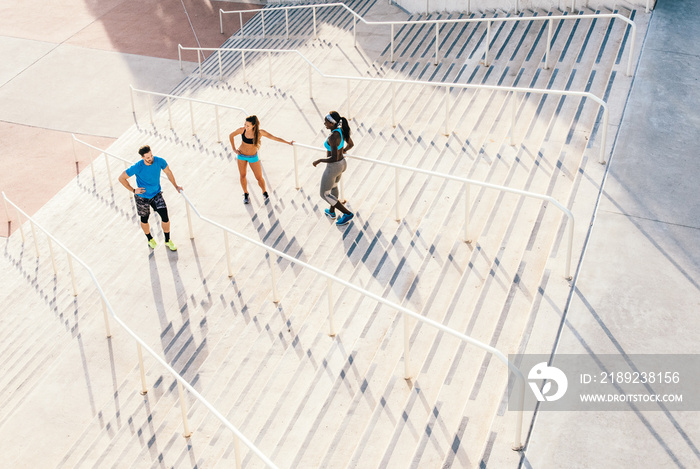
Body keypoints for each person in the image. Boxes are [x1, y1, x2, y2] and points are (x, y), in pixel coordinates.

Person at [118, 145, 182, 251]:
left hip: (156, 194)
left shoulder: (159, 161)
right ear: (142, 157)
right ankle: (150, 239)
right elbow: (121, 178)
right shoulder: (137, 167)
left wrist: (176, 186)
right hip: (142, 197)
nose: (150, 158)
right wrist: (133, 190)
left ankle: (167, 240)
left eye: (151, 155)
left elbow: (168, 172)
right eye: (147, 157)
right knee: (144, 219)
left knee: (165, 217)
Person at [229, 115, 293, 204]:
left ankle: (264, 192)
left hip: (253, 157)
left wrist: (288, 142)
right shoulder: (242, 130)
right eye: (245, 124)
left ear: (254, 125)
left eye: (248, 125)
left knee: (258, 177)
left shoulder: (260, 133)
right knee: (242, 175)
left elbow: (273, 137)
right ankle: (246, 193)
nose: (245, 127)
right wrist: (234, 149)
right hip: (241, 155)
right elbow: (231, 135)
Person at [313, 111, 355, 226]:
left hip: (334, 167)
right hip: (342, 164)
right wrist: (343, 151)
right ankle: (332, 211)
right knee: (333, 188)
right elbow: (351, 144)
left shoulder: (332, 137)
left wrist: (320, 160)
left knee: (324, 194)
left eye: (326, 122)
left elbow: (334, 158)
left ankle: (347, 214)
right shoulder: (341, 130)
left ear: (332, 123)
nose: (324, 123)